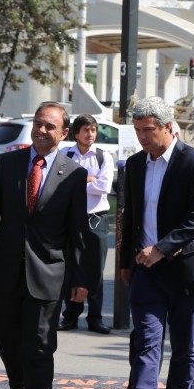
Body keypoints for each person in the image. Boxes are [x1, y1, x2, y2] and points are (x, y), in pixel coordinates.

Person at [0, 101, 92, 389]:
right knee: (3, 334)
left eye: (50, 126)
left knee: (38, 344)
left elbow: (79, 231)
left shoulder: (74, 173)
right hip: (7, 269)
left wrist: (82, 280)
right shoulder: (9, 164)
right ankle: (20, 387)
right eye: (38, 123)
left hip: (49, 273)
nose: (42, 130)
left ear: (64, 133)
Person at [111, 96, 194, 389]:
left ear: (167, 127)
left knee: (185, 344)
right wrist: (126, 262)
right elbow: (129, 219)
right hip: (145, 271)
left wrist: (161, 248)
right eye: (138, 130)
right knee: (146, 341)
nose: (143, 137)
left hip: (186, 269)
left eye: (149, 130)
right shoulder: (134, 165)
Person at [58, 114, 114, 335]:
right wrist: (89, 179)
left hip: (96, 218)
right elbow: (61, 182)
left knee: (95, 269)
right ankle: (70, 316)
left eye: (93, 130)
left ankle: (96, 317)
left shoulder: (103, 157)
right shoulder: (65, 154)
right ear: (76, 132)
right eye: (86, 130)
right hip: (71, 218)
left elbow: (104, 187)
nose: (90, 134)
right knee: (70, 267)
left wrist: (79, 180)